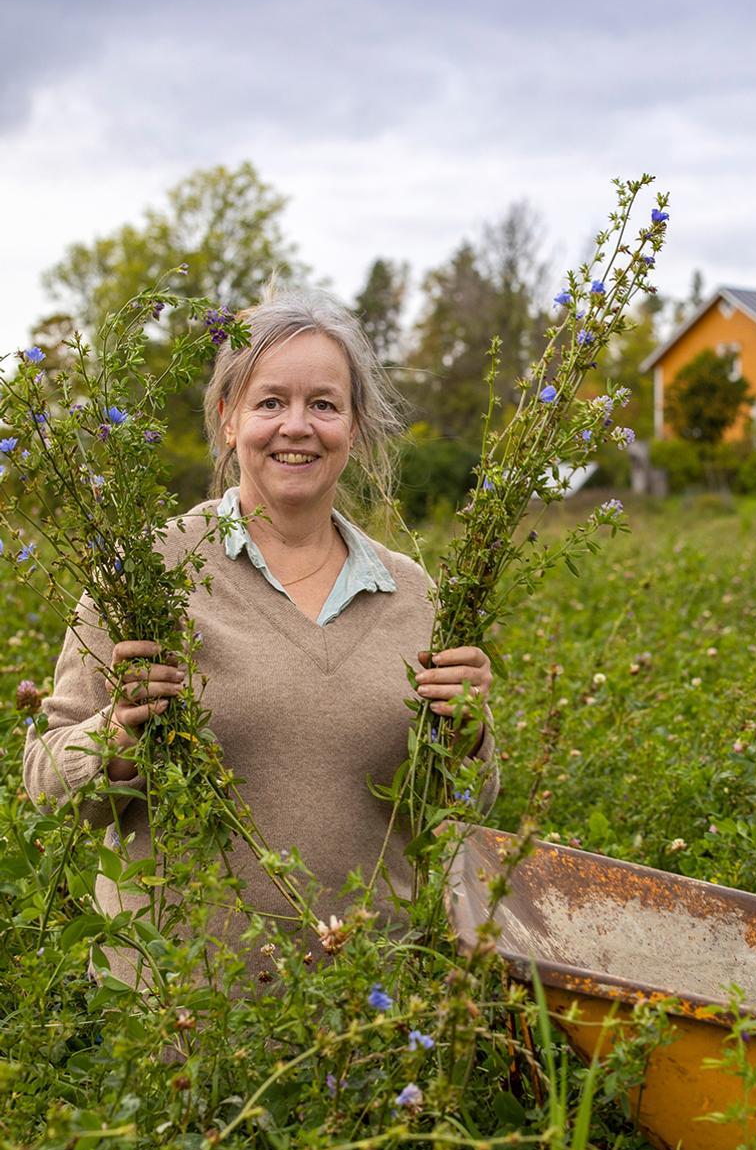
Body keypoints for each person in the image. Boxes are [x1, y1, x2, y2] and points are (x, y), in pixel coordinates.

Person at [23, 288, 498, 979]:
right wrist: (119, 735)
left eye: (324, 405)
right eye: (270, 402)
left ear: (355, 428)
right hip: (180, 1018)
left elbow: (462, 809)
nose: (296, 427)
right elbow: (44, 789)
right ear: (227, 419)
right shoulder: (144, 575)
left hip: (372, 1010)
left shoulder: (414, 595)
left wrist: (468, 735)